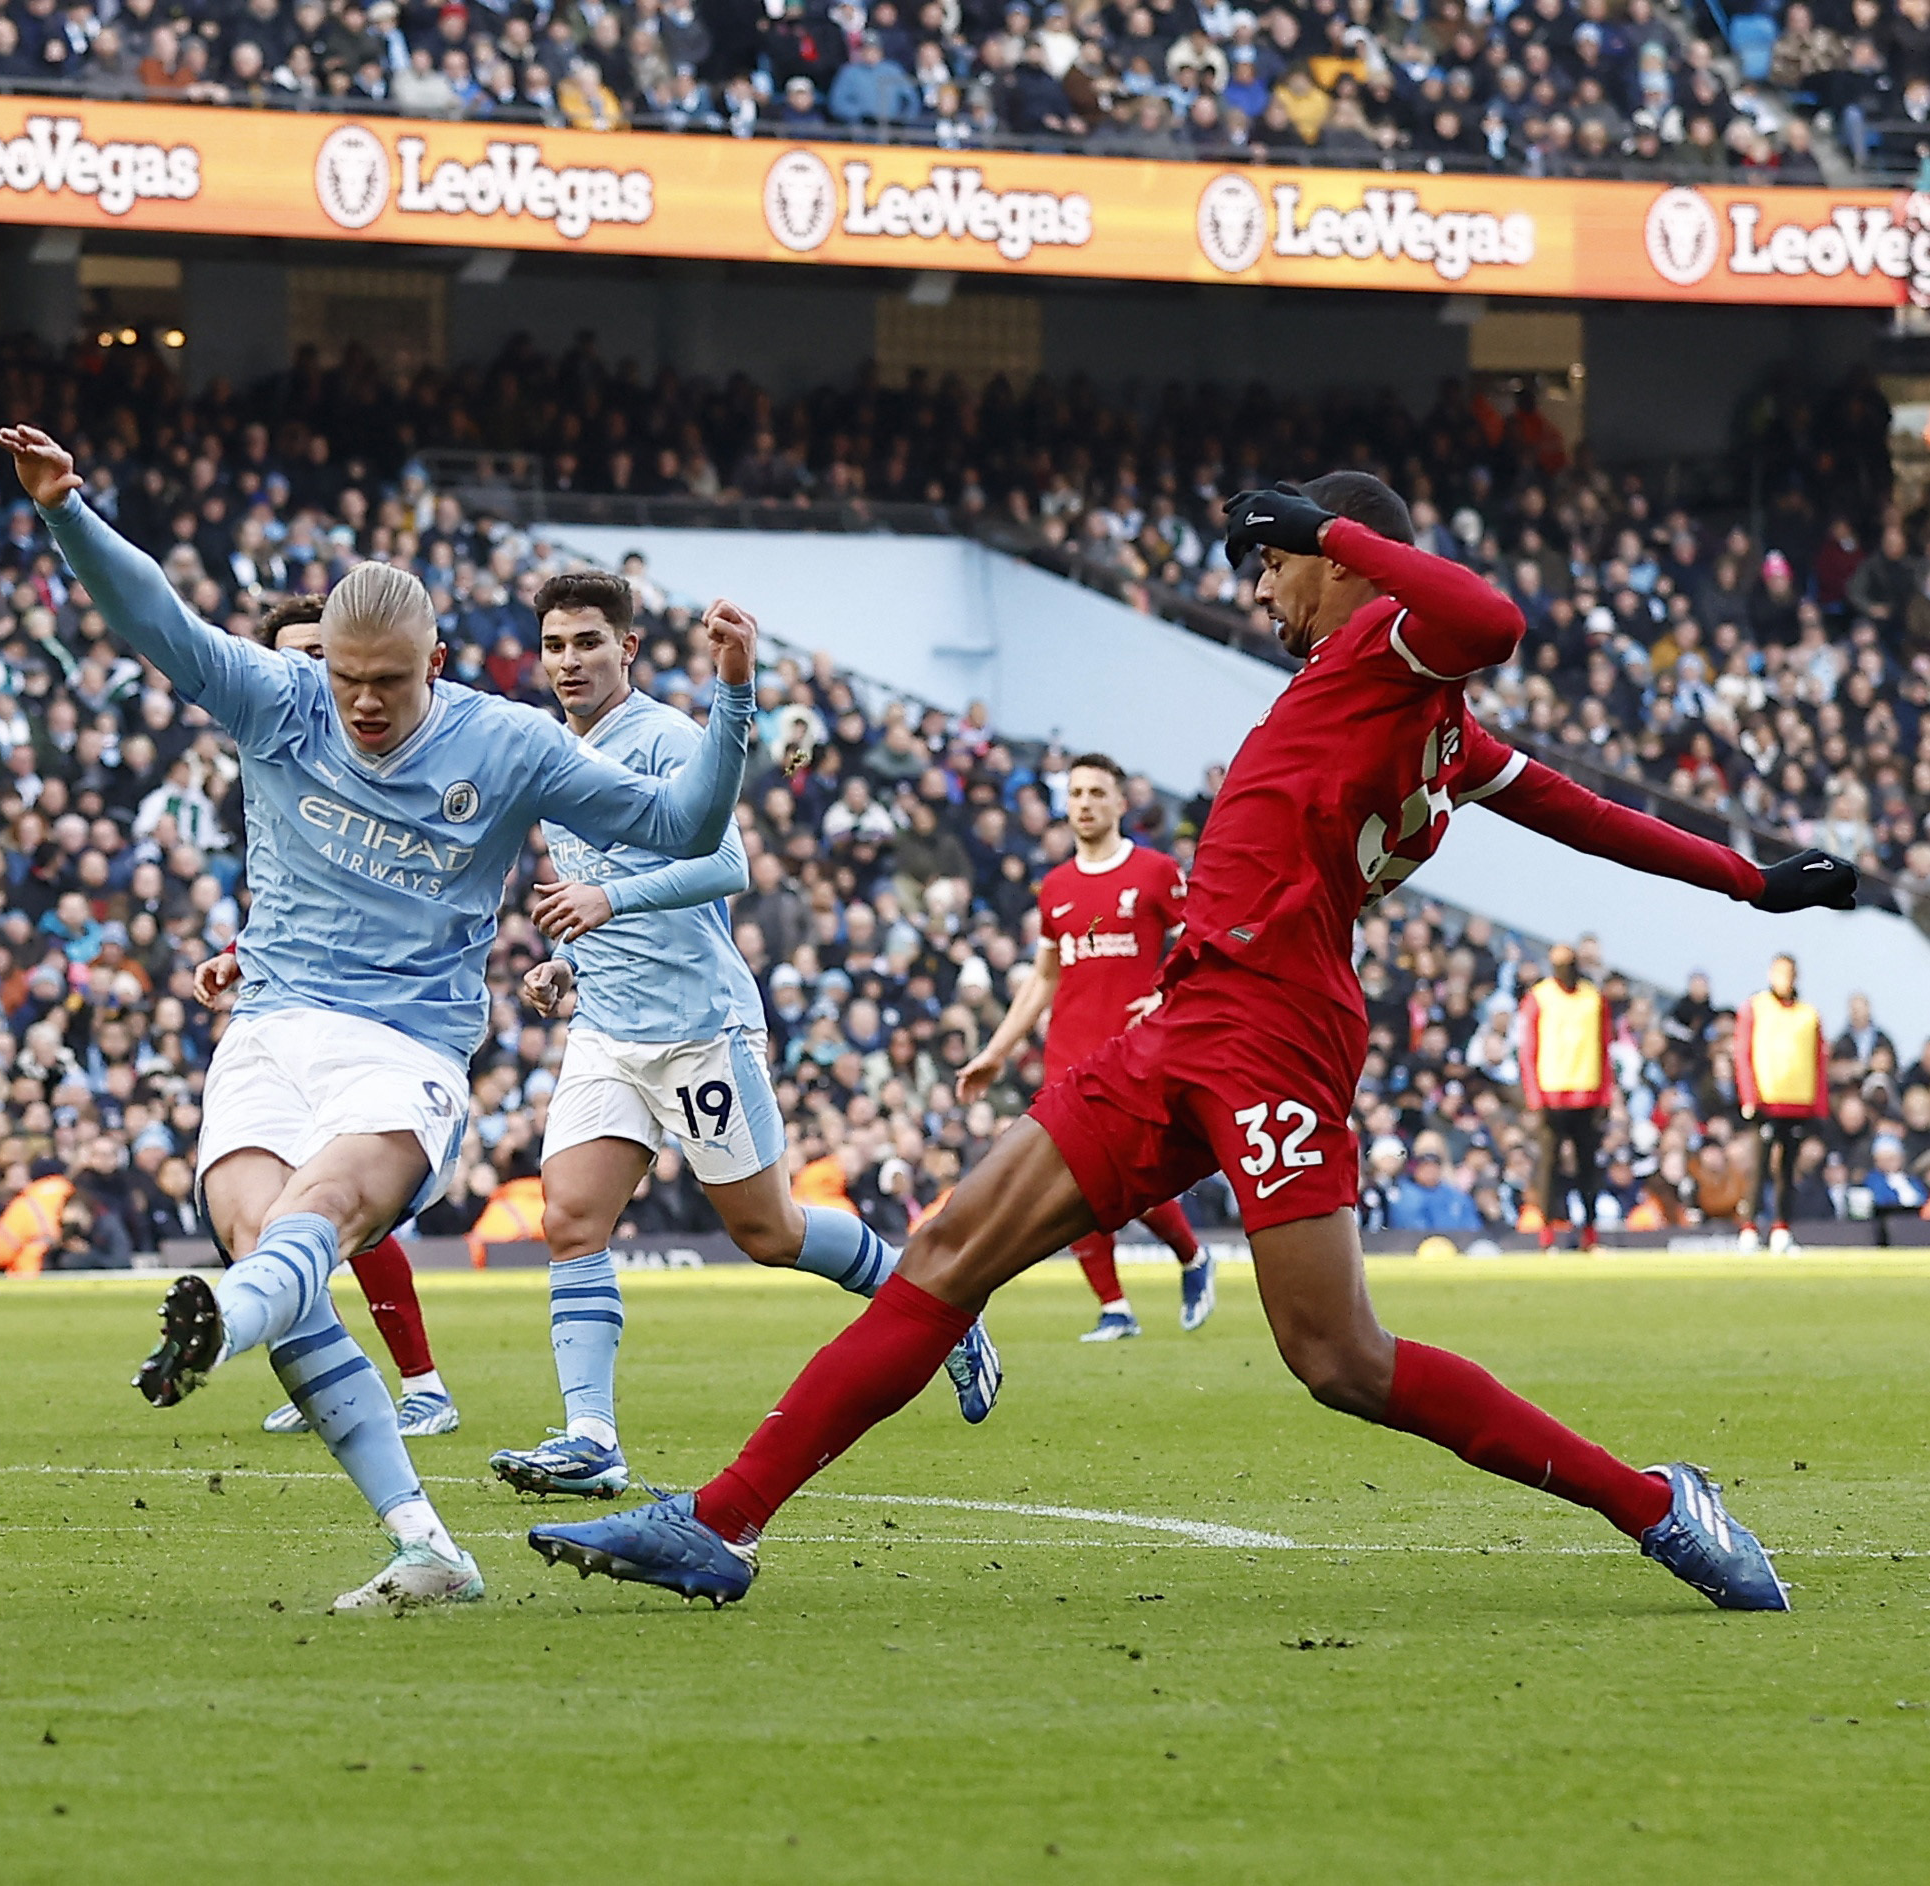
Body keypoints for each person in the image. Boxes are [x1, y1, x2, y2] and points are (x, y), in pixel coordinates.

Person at [531, 470, 1859, 1614]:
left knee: (1339, 1358)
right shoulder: (1398, 696)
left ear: (1337, 560)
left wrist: (1329, 536)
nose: (1264, 595)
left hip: (1277, 1031)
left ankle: (1654, 1503)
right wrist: (1745, 881)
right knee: (946, 1252)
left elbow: (1490, 617)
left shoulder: (1402, 650)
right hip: (1186, 1018)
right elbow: (1583, 812)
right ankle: (721, 1518)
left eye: (1273, 566)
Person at [0, 421, 758, 1612]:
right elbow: (158, 624)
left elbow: (691, 829)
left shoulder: (505, 742)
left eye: (389, 682)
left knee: (314, 1218)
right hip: (266, 1025)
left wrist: (734, 701)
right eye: (346, 678)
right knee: (270, 1245)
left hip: (403, 1044)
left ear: (436, 660)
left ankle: (223, 1321)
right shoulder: (279, 698)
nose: (362, 702)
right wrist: (65, 511)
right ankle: (424, 1542)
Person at [491, 570, 999, 1500]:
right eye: (554, 646)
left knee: (768, 1232)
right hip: (607, 1027)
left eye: (586, 643)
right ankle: (591, 1438)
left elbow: (725, 863)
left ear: (627, 649)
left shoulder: (664, 737)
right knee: (570, 1218)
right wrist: (574, 960)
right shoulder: (554, 755)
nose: (568, 661)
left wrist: (607, 899)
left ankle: (945, 1313)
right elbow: (607, 897)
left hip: (696, 1030)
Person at [196, 595, 460, 1441]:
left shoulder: (390, 747)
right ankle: (337, 1378)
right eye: (292, 659)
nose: (309, 676)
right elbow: (302, 892)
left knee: (338, 1198)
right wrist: (244, 950)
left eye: (323, 656)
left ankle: (421, 1384)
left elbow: (385, 884)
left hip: (388, 1020)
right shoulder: (276, 741)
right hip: (289, 1005)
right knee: (270, 1208)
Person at [957, 751, 1218, 1338]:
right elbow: (1045, 977)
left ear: (1121, 803)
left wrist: (1165, 994)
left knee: (1128, 1180)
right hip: (1067, 1055)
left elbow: (1197, 939)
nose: (1085, 804)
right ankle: (1114, 1306)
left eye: (1098, 793)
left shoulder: (1153, 872)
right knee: (1070, 1179)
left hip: (1132, 1055)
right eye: (1076, 794)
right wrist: (996, 1051)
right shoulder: (1055, 887)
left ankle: (1192, 1256)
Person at [1517, 943, 1615, 1250]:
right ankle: (1547, 1231)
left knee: (1589, 1167)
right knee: (1549, 1166)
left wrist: (1604, 1095)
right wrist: (1534, 1096)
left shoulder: (1594, 999)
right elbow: (1528, 1049)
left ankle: (1589, 1230)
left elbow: (1604, 1048)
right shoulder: (1539, 998)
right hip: (1552, 1095)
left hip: (1586, 1094)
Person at [1736, 953, 1828, 1253]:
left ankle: (1781, 1228)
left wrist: (1819, 1105)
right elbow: (1743, 1053)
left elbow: (1818, 1061)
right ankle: (1749, 1228)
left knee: (1788, 1171)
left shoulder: (1808, 1014)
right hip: (1766, 1100)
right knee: (1760, 1167)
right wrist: (1749, 1096)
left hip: (1797, 1102)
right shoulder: (1755, 1007)